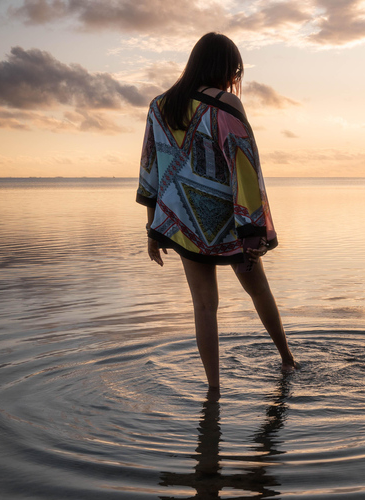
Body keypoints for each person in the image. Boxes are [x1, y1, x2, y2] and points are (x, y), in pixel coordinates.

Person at [136, 32, 297, 389]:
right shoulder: (225, 104)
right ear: (226, 68)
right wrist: (253, 229)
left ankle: (213, 390)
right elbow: (245, 166)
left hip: (182, 221)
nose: (234, 79)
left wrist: (153, 229)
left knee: (204, 306)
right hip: (229, 221)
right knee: (259, 291)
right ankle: (287, 360)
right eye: (235, 71)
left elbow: (151, 168)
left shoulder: (159, 106)